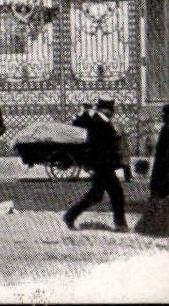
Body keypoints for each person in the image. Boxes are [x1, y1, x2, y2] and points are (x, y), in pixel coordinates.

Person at [63, 99, 127, 232]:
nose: (112, 112)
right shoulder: (97, 121)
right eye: (110, 109)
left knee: (97, 194)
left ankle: (70, 216)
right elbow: (80, 127)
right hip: (102, 164)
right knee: (117, 193)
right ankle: (120, 224)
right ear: (105, 109)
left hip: (103, 164)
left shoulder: (101, 121)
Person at [135, 102, 169, 238]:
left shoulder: (166, 129)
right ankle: (153, 228)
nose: (163, 117)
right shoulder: (165, 129)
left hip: (163, 169)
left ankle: (152, 227)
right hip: (162, 169)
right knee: (159, 197)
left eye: (165, 115)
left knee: (159, 197)